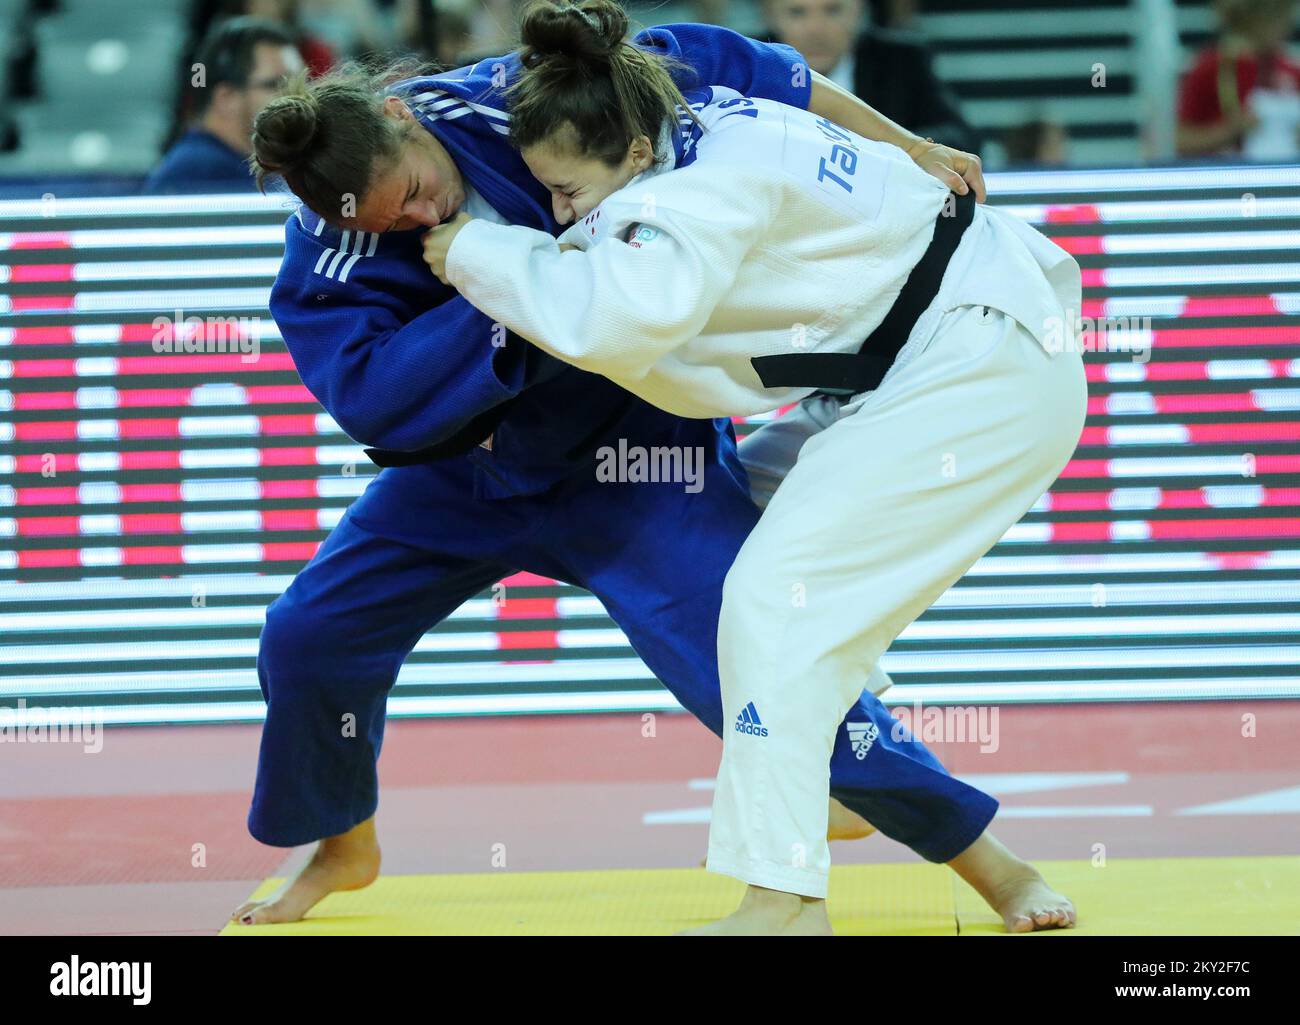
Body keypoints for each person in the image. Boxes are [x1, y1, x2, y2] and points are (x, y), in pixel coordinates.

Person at [234, 10, 1073, 933]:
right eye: (396, 222)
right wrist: (513, 290)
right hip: (467, 475)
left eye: (422, 192)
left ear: (402, 117)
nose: (423, 220)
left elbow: (748, 66)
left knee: (757, 648)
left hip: (637, 461)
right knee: (308, 633)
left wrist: (904, 141)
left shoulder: (526, 92)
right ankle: (340, 838)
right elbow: (372, 397)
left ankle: (993, 867)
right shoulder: (328, 244)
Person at [763, 0, 978, 154]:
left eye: (832, 10)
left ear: (858, 9)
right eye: (797, 12)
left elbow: (959, 139)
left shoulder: (901, 59)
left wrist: (877, 147)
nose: (815, 29)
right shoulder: (750, 68)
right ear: (770, 15)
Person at [144, 18, 303, 195]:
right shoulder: (197, 173)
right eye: (277, 84)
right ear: (226, 98)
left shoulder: (248, 167)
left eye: (302, 83)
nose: (299, 97)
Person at [1177, 0, 1300, 159]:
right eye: (1281, 18)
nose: (1288, 27)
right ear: (1257, 20)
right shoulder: (1209, 70)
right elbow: (1180, 142)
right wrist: (1230, 131)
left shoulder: (1291, 69)